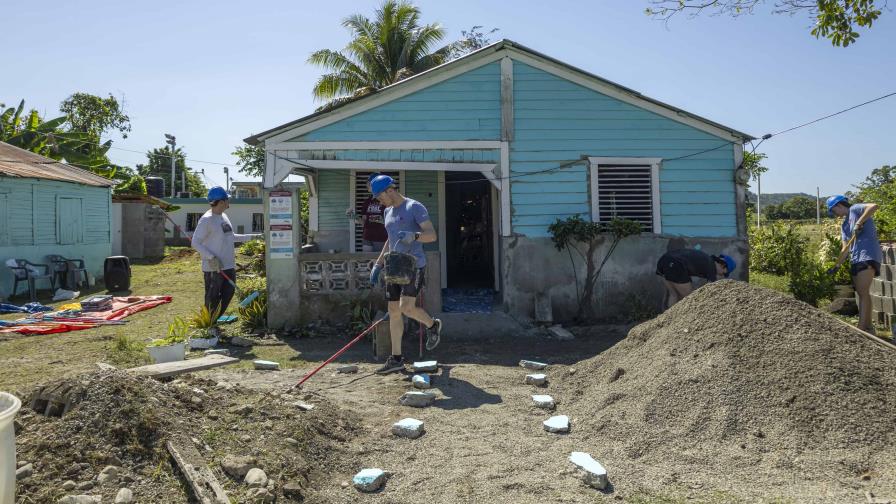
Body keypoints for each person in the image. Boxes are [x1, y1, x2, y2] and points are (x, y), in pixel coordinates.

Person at [368, 174, 443, 374]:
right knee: (393, 310)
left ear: (390, 190)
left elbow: (432, 235)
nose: (379, 201)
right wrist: (378, 264)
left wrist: (415, 236)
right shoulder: (388, 212)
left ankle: (432, 325)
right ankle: (397, 359)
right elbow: (390, 240)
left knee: (406, 308)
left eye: (379, 196)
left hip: (414, 266)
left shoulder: (414, 208)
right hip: (394, 266)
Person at [191, 186, 262, 332]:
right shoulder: (206, 220)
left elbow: (232, 236)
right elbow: (195, 242)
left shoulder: (223, 217)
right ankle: (209, 327)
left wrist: (254, 237)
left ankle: (215, 320)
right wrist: (211, 257)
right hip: (214, 267)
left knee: (228, 293)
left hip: (228, 265)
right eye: (227, 199)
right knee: (212, 298)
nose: (229, 201)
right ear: (222, 201)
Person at [826, 194, 881, 333]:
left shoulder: (856, 209)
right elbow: (845, 248)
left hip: (867, 254)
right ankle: (868, 327)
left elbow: (873, 206)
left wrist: (859, 222)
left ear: (838, 205)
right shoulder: (844, 225)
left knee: (863, 292)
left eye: (833, 211)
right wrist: (837, 265)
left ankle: (861, 329)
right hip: (855, 258)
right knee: (862, 293)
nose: (834, 214)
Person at [656, 248, 736, 309]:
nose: (721, 275)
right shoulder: (711, 267)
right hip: (676, 264)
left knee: (674, 295)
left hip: (663, 261)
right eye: (724, 273)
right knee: (690, 298)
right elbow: (710, 291)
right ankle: (680, 321)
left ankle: (668, 321)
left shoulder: (706, 259)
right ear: (723, 265)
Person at [346, 173, 387, 252]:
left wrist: (372, 218)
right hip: (367, 237)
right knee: (367, 260)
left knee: (379, 262)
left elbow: (388, 220)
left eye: (369, 182)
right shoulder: (367, 202)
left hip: (381, 237)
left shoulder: (386, 200)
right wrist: (354, 216)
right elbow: (364, 222)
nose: (367, 184)